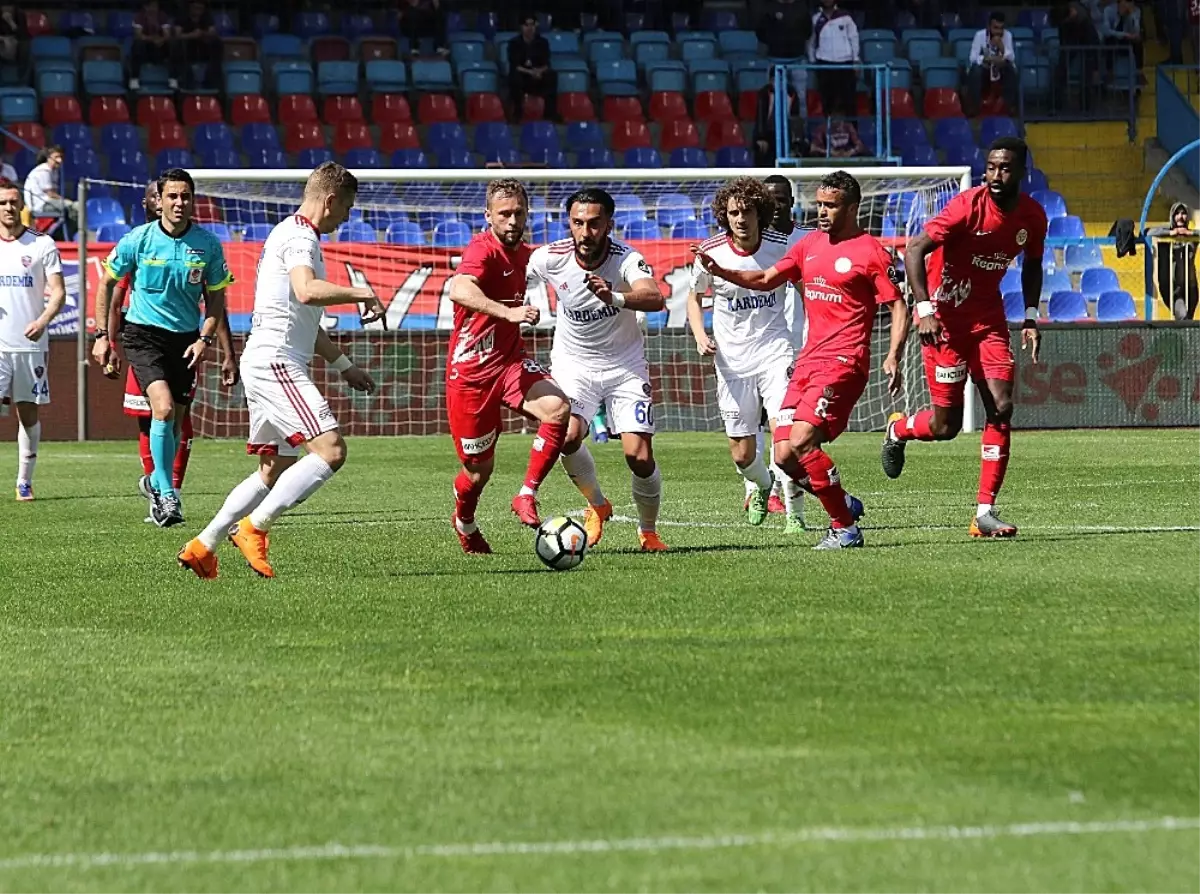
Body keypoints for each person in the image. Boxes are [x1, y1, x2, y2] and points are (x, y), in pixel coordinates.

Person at [178, 163, 383, 580]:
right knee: (330, 451)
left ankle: (203, 544)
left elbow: (303, 319)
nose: (345, 218)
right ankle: (255, 526)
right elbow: (308, 292)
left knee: (273, 470)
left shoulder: (291, 234)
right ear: (329, 200)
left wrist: (344, 366)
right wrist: (362, 290)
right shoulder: (300, 237)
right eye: (345, 208)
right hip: (276, 362)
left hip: (266, 358)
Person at [695, 171, 902, 550]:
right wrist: (721, 271)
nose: (822, 211)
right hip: (808, 362)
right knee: (784, 454)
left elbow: (896, 305)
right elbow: (764, 278)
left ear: (852, 208)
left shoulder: (871, 251)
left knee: (802, 440)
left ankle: (844, 529)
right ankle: (843, 505)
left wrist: (893, 353)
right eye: (819, 204)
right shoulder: (808, 246)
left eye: (831, 205)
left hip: (843, 361)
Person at [881, 137, 1048, 538]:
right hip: (945, 325)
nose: (994, 175)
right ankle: (898, 430)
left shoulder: (1032, 216)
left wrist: (1029, 317)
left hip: (988, 321)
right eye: (990, 167)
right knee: (946, 426)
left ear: (1021, 171)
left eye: (1004, 168)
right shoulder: (966, 206)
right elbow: (915, 251)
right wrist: (925, 311)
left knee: (1002, 406)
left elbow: (1033, 265)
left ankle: (985, 512)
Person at [526, 188, 668, 552]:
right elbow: (515, 276)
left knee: (638, 456)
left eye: (593, 224)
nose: (585, 232)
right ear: (569, 224)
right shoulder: (549, 258)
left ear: (608, 225)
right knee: (567, 436)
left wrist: (615, 297)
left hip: (625, 365)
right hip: (575, 364)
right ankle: (598, 504)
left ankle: (648, 532)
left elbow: (655, 297)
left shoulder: (626, 258)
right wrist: (517, 307)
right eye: (577, 223)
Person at [91, 168, 233, 528]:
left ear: (192, 200)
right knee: (164, 409)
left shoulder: (208, 245)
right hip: (143, 336)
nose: (179, 203)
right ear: (159, 201)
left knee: (177, 420)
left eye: (185, 196)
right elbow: (107, 284)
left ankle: (155, 485)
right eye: (172, 196)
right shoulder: (137, 240)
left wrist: (205, 338)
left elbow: (216, 299)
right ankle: (168, 494)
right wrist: (100, 336)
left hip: (186, 340)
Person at [446, 179, 572, 554]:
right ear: (488, 216)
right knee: (478, 472)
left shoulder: (528, 255)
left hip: (510, 364)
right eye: (504, 213)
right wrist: (509, 312)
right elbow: (459, 289)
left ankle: (525, 495)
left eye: (518, 212)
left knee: (558, 409)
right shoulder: (481, 250)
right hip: (471, 376)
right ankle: (464, 523)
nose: (512, 220)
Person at [687, 177, 808, 533]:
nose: (741, 219)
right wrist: (699, 334)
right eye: (734, 212)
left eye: (747, 212)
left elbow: (804, 288)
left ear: (760, 213)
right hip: (731, 360)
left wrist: (817, 330)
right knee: (742, 454)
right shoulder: (710, 254)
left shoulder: (781, 245)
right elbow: (694, 298)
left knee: (786, 440)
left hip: (775, 351)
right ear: (725, 216)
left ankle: (795, 517)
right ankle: (760, 484)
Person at [0, 179, 66, 501]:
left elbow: (59, 293)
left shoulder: (42, 244)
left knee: (27, 413)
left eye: (13, 202)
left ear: (22, 205)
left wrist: (42, 321)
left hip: (29, 344)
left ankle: (24, 481)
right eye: (2, 203)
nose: (9, 208)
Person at [809, 0, 860, 119]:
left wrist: (855, 59)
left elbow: (854, 38)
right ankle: (828, 133)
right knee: (827, 101)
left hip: (845, 64)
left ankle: (853, 133)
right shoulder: (816, 19)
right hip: (825, 64)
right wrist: (813, 61)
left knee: (849, 102)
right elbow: (811, 42)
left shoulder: (845, 17)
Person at [1148, 201, 1198, 320]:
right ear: (1172, 217)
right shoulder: (1165, 238)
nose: (1180, 217)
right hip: (1172, 290)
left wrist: (1190, 233)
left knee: (1189, 319)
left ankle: (1187, 338)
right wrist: (1171, 233)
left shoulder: (1192, 237)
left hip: (1191, 286)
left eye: (1183, 213)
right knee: (1183, 316)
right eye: (1177, 213)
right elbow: (1148, 232)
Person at [967, 13, 1018, 116]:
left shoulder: (1007, 35)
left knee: (1011, 70)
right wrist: (988, 59)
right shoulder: (979, 35)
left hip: (1000, 69)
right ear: (989, 26)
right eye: (995, 28)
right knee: (975, 71)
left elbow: (1012, 57)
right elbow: (972, 57)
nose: (998, 32)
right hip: (985, 70)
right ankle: (976, 108)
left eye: (1001, 28)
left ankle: (1007, 106)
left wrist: (1001, 46)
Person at [508, 15, 555, 120]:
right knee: (514, 77)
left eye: (532, 25)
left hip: (538, 74)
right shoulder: (514, 43)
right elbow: (515, 65)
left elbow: (546, 63)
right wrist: (530, 72)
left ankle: (550, 114)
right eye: (526, 25)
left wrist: (539, 71)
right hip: (523, 74)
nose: (530, 28)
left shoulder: (543, 42)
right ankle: (517, 113)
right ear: (521, 27)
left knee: (551, 76)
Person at [22, 147, 78, 233]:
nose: (59, 160)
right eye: (56, 157)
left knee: (74, 208)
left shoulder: (54, 171)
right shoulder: (43, 171)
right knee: (73, 206)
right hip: (40, 204)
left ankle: (64, 234)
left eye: (61, 157)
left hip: (48, 202)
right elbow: (51, 194)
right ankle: (65, 235)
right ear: (49, 158)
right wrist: (67, 201)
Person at [753, 72, 802, 168]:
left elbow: (795, 118)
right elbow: (760, 117)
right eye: (775, 80)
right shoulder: (764, 93)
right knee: (762, 150)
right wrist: (761, 137)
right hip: (768, 133)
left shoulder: (792, 93)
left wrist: (795, 142)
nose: (779, 83)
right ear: (771, 81)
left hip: (786, 133)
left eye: (782, 79)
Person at [170, 0, 221, 91]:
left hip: (203, 48)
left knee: (216, 42)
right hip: (187, 49)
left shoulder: (207, 17)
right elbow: (177, 36)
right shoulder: (182, 17)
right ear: (190, 7)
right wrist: (192, 35)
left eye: (200, 8)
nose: (198, 10)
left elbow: (213, 32)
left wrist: (203, 33)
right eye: (196, 7)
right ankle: (185, 81)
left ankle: (213, 79)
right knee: (177, 45)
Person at [130, 0, 175, 91]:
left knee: (173, 44)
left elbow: (167, 34)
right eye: (151, 6)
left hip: (159, 47)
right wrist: (152, 39)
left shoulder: (162, 16)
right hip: (145, 48)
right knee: (137, 44)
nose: (153, 9)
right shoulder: (139, 17)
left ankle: (173, 79)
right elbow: (138, 35)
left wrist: (161, 40)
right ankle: (134, 79)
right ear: (145, 7)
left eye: (155, 6)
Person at [1102, 0, 1144, 77]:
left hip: (1127, 39)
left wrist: (1131, 15)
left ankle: (1139, 72)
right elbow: (1106, 31)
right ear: (1119, 2)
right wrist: (1124, 34)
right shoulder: (1108, 10)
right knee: (1109, 40)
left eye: (1129, 3)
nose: (1126, 6)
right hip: (1114, 37)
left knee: (1138, 41)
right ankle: (1109, 72)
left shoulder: (1136, 11)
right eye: (1124, 3)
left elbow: (1136, 31)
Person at [0, 4, 30, 74]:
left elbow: (23, 34)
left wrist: (11, 22)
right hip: (1, 39)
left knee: (24, 45)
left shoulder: (20, 14)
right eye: (3, 7)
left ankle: (21, 75)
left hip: (16, 39)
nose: (6, 9)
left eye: (9, 7)